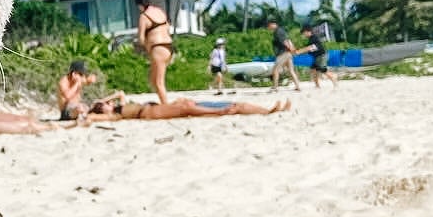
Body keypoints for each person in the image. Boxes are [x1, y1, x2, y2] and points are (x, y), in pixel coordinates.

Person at [87, 93, 290, 122]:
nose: (108, 104)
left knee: (234, 104)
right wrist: (92, 113)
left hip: (157, 107)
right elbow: (93, 119)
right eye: (104, 106)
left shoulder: (119, 105)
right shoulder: (114, 116)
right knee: (188, 109)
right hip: (151, 112)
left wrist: (101, 100)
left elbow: (120, 92)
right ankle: (217, 112)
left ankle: (267, 110)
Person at [135, 0, 175, 102]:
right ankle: (164, 102)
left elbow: (141, 38)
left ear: (139, 5)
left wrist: (141, 48)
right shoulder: (159, 11)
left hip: (158, 48)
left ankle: (166, 107)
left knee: (158, 82)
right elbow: (167, 27)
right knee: (153, 80)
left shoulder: (144, 16)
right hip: (169, 46)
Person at [268, 17, 299, 91]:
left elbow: (285, 41)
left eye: (269, 25)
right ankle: (298, 86)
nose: (268, 27)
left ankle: (275, 87)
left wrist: (292, 50)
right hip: (288, 53)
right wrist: (293, 49)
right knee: (291, 71)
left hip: (283, 54)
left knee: (275, 70)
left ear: (273, 24)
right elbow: (288, 40)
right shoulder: (282, 30)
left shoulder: (277, 32)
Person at [299, 20, 330, 87]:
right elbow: (308, 49)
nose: (303, 34)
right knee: (313, 69)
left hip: (321, 56)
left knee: (323, 70)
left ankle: (334, 81)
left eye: (304, 33)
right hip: (317, 57)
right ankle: (317, 85)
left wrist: (299, 51)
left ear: (307, 31)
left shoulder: (314, 38)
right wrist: (300, 52)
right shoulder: (311, 38)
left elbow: (310, 48)